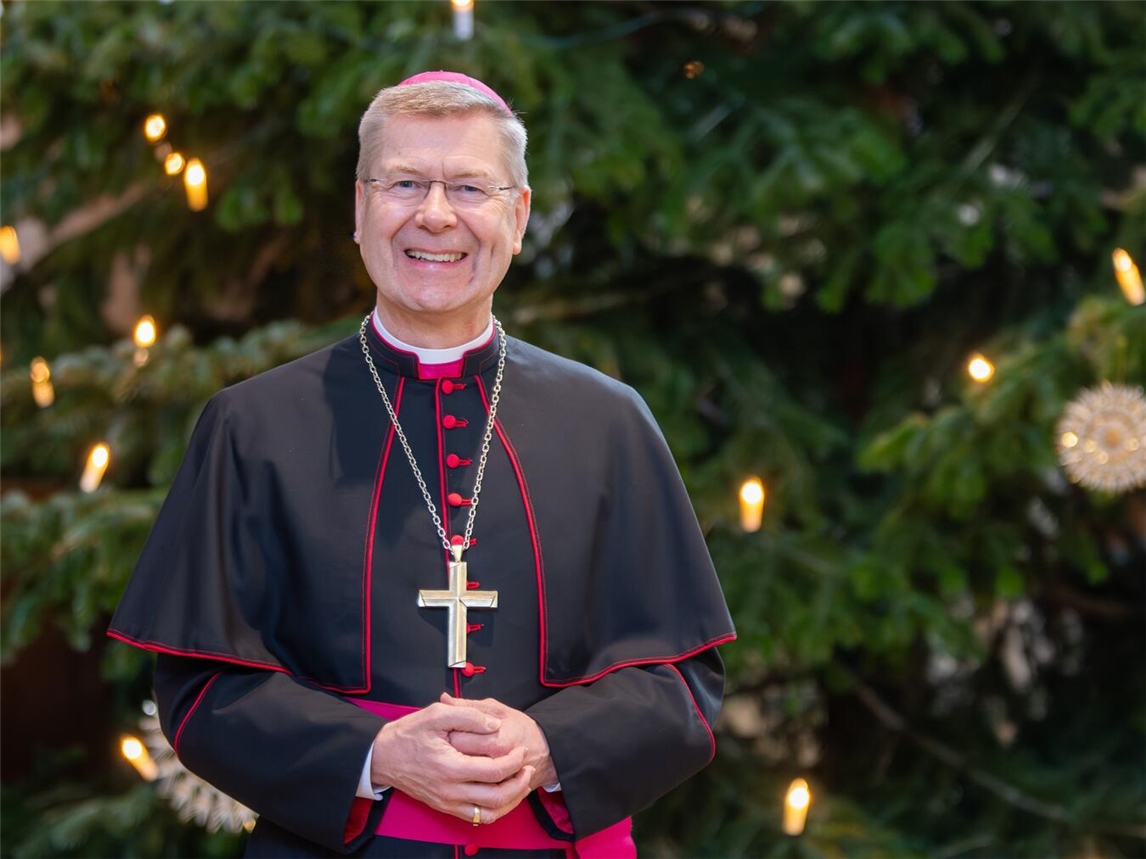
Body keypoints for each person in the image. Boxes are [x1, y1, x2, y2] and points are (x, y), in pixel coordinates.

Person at [109, 71, 735, 858]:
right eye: (404, 182)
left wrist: (549, 744)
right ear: (361, 207)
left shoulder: (609, 422)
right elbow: (203, 691)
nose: (435, 214)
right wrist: (376, 756)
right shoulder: (253, 426)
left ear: (519, 215)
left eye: (470, 187)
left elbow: (681, 682)